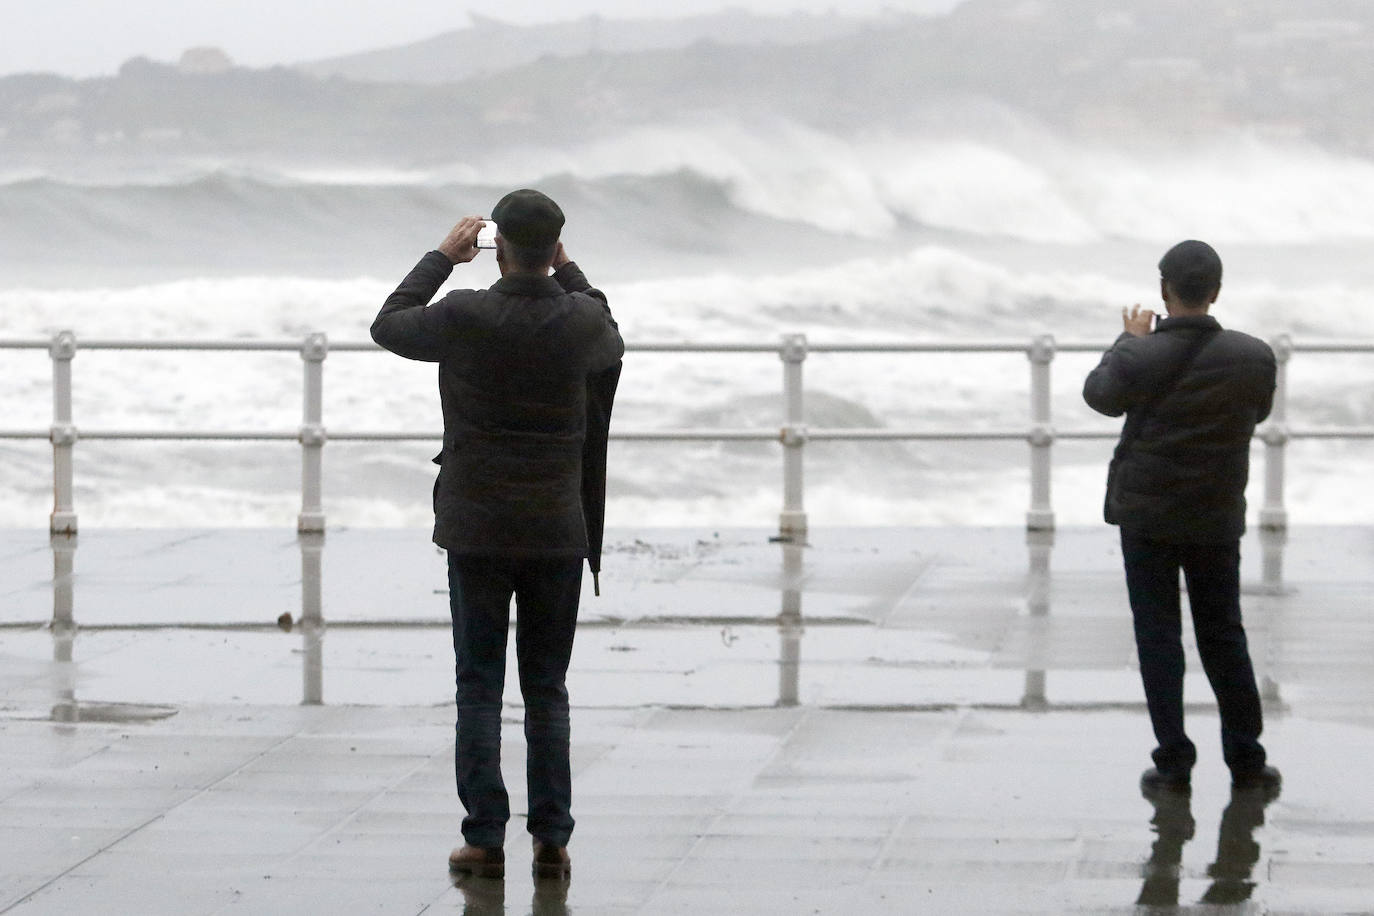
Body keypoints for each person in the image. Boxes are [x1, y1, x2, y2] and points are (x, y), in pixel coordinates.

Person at [371, 189, 624, 880]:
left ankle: (483, 836)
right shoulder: (580, 323)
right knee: (547, 687)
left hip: (477, 525)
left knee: (479, 685)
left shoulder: (464, 314)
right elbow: (613, 332)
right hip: (554, 527)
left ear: (496, 246)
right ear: (553, 248)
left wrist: (440, 260)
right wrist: (567, 273)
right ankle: (552, 837)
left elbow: (388, 324)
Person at [1083, 239, 1281, 796]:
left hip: (1147, 516)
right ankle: (1247, 761)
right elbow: (1257, 412)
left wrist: (1128, 339)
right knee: (1224, 634)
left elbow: (1100, 396)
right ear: (1216, 292)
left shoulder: (1139, 355)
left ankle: (1173, 763)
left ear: (1163, 291)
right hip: (1215, 515)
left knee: (1158, 635)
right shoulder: (1254, 356)